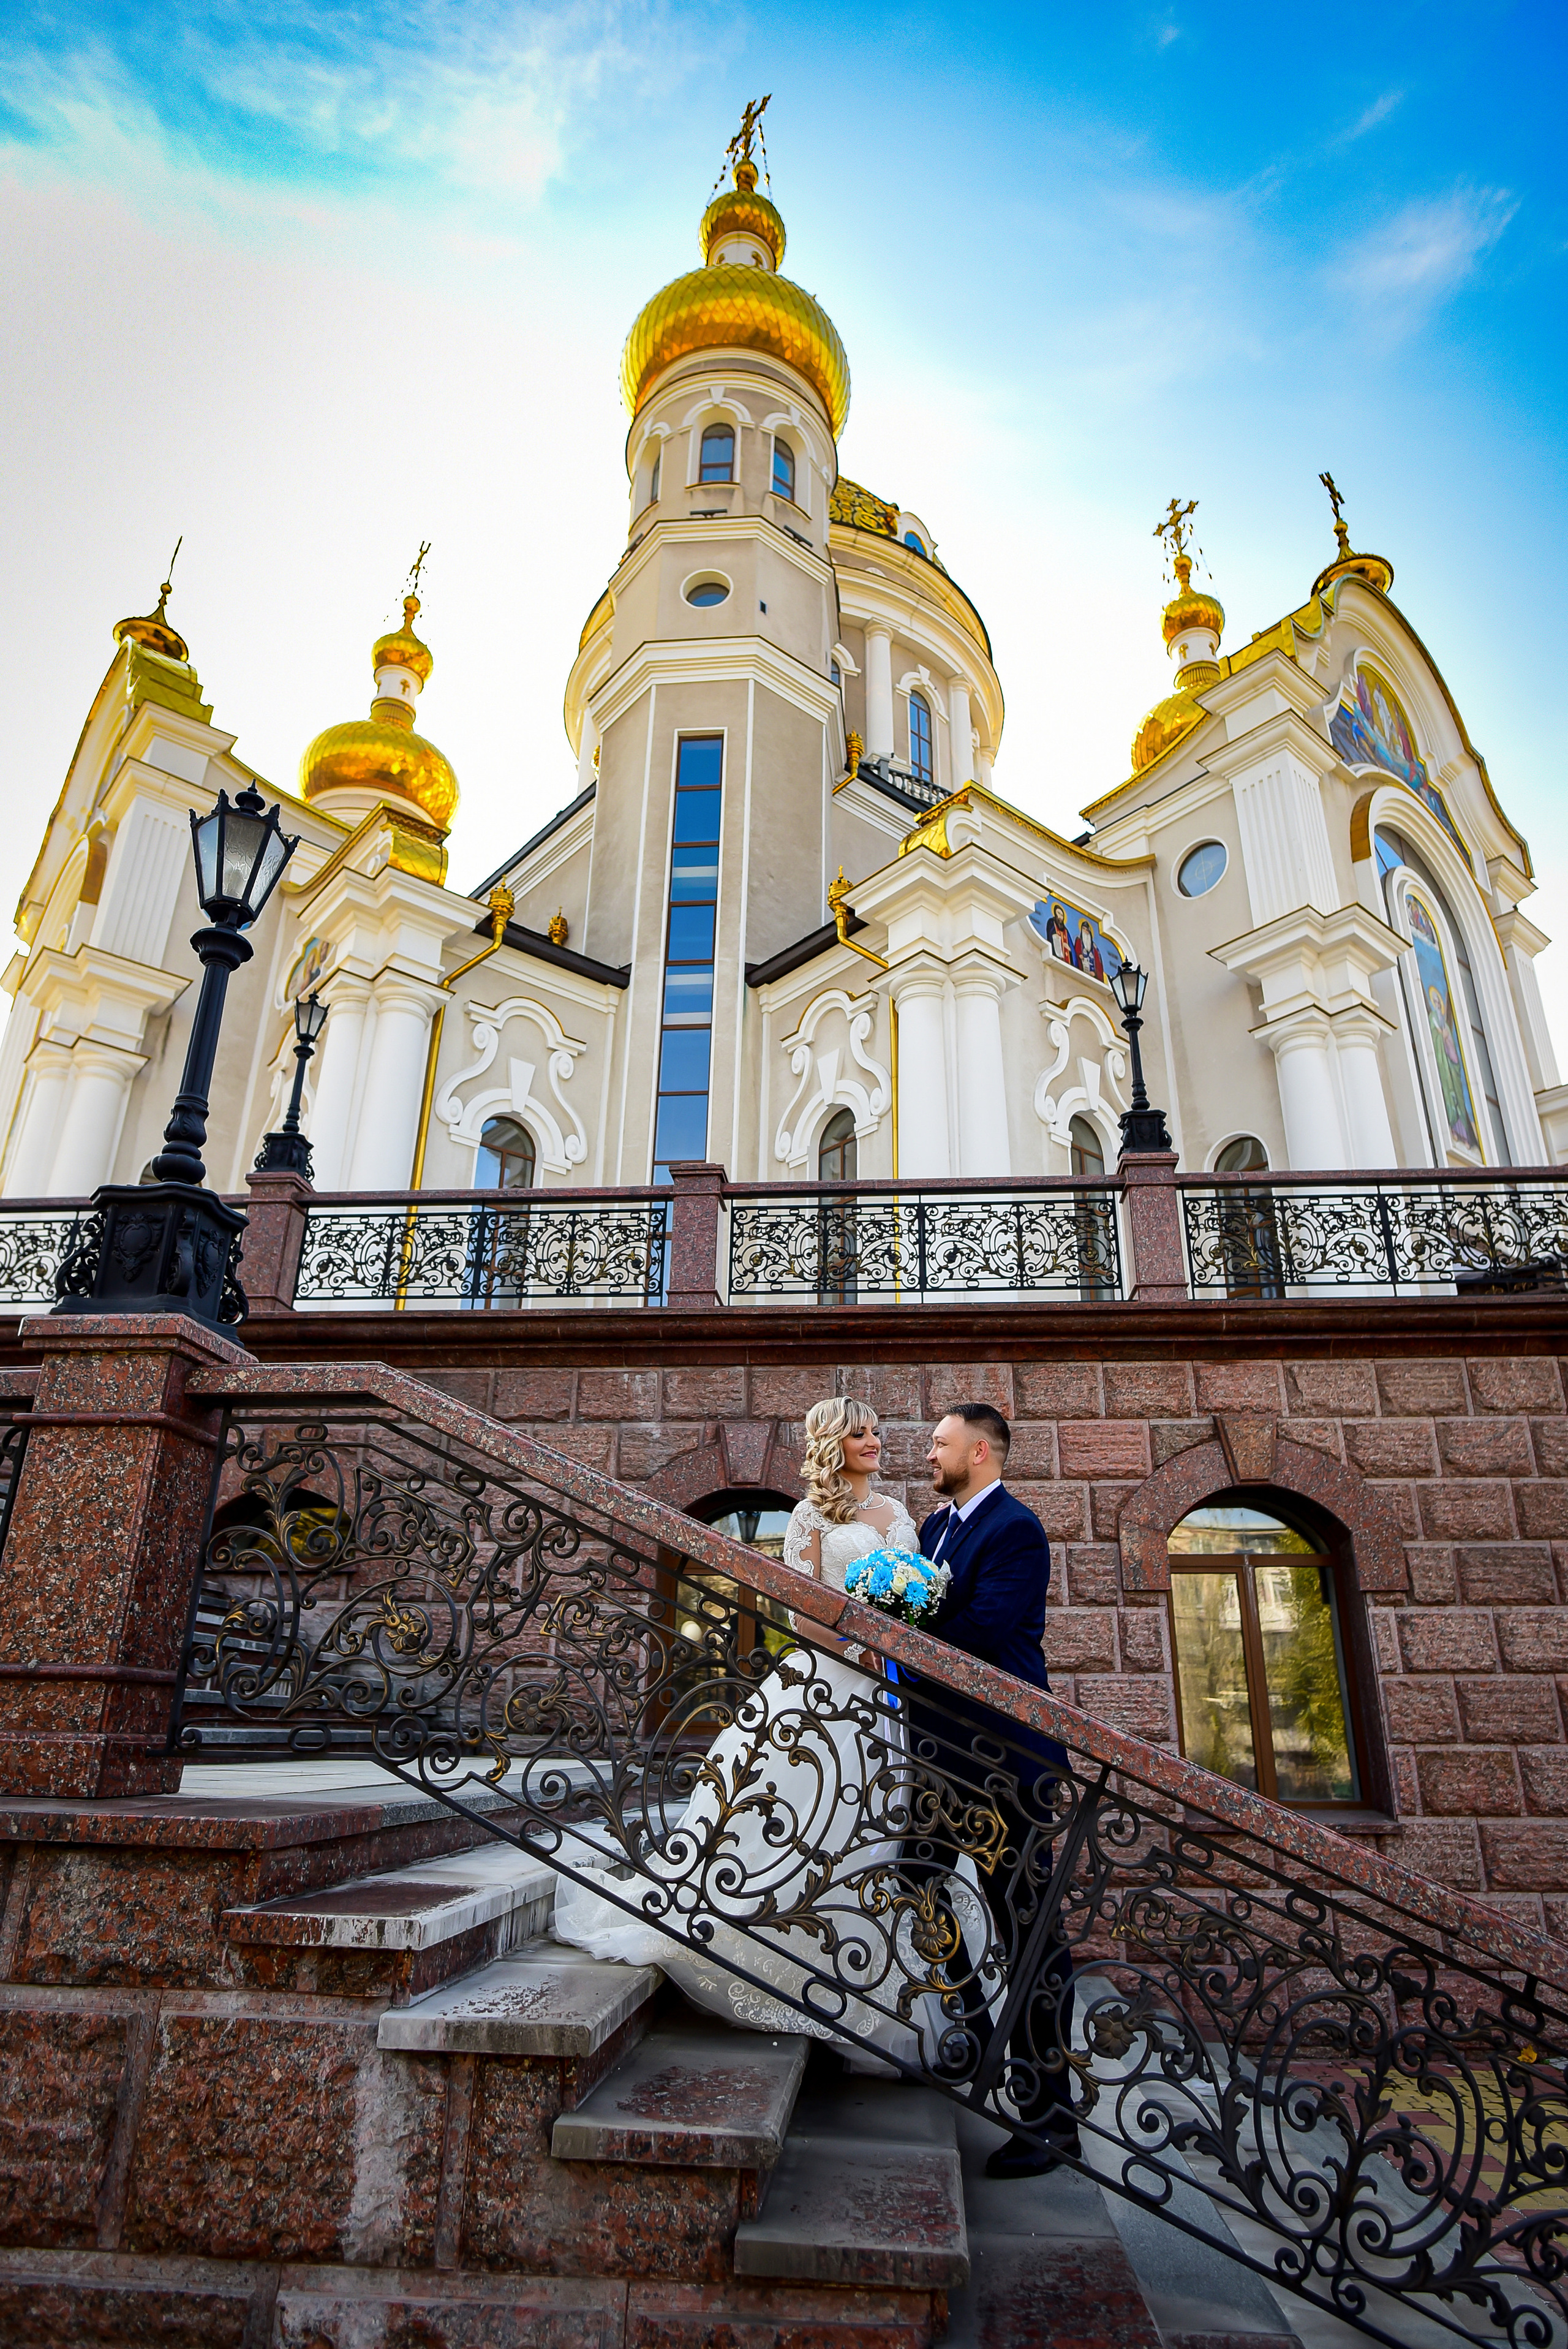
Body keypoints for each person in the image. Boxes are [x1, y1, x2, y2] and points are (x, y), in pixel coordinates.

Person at [551, 1398, 935, 2063]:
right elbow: (802, 1613)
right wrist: (863, 1632)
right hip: (824, 1681)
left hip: (882, 1698)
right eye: (860, 1433)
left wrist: (899, 1618)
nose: (875, 1441)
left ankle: (846, 1971)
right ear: (831, 1444)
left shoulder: (899, 1516)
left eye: (875, 1431)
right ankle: (763, 1945)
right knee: (790, 1814)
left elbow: (921, 1597)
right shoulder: (811, 1517)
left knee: (864, 1830)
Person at [911, 1403, 1080, 2181]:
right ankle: (974, 2024)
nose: (931, 1452)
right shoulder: (933, 1528)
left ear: (979, 1452)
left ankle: (1049, 2121)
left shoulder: (1015, 1529)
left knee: (1027, 1932)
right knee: (916, 1881)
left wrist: (896, 1612)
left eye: (941, 1443)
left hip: (1004, 1761)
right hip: (943, 1756)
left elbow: (980, 1632)